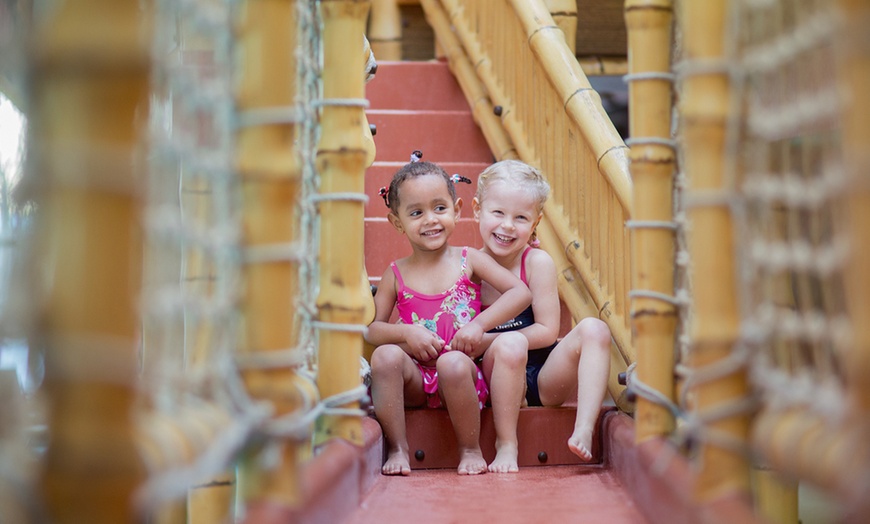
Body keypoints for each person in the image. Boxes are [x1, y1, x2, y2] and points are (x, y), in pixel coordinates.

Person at [366, 156, 531, 476]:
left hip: (463, 376)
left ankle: (470, 449)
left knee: (451, 363)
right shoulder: (394, 273)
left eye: (439, 208)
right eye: (416, 213)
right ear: (397, 222)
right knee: (385, 356)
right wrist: (406, 334)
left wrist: (479, 325)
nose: (430, 220)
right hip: (416, 378)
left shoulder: (469, 260)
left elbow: (520, 293)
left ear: (456, 210)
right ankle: (398, 448)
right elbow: (372, 330)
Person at [473, 159, 612, 473]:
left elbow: (548, 331)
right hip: (498, 376)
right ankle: (506, 444)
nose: (508, 226)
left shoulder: (537, 263)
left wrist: (488, 338)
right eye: (498, 213)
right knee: (509, 348)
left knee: (595, 329)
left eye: (520, 217)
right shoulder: (468, 266)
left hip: (542, 378)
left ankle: (585, 428)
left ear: (536, 222)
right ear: (476, 210)